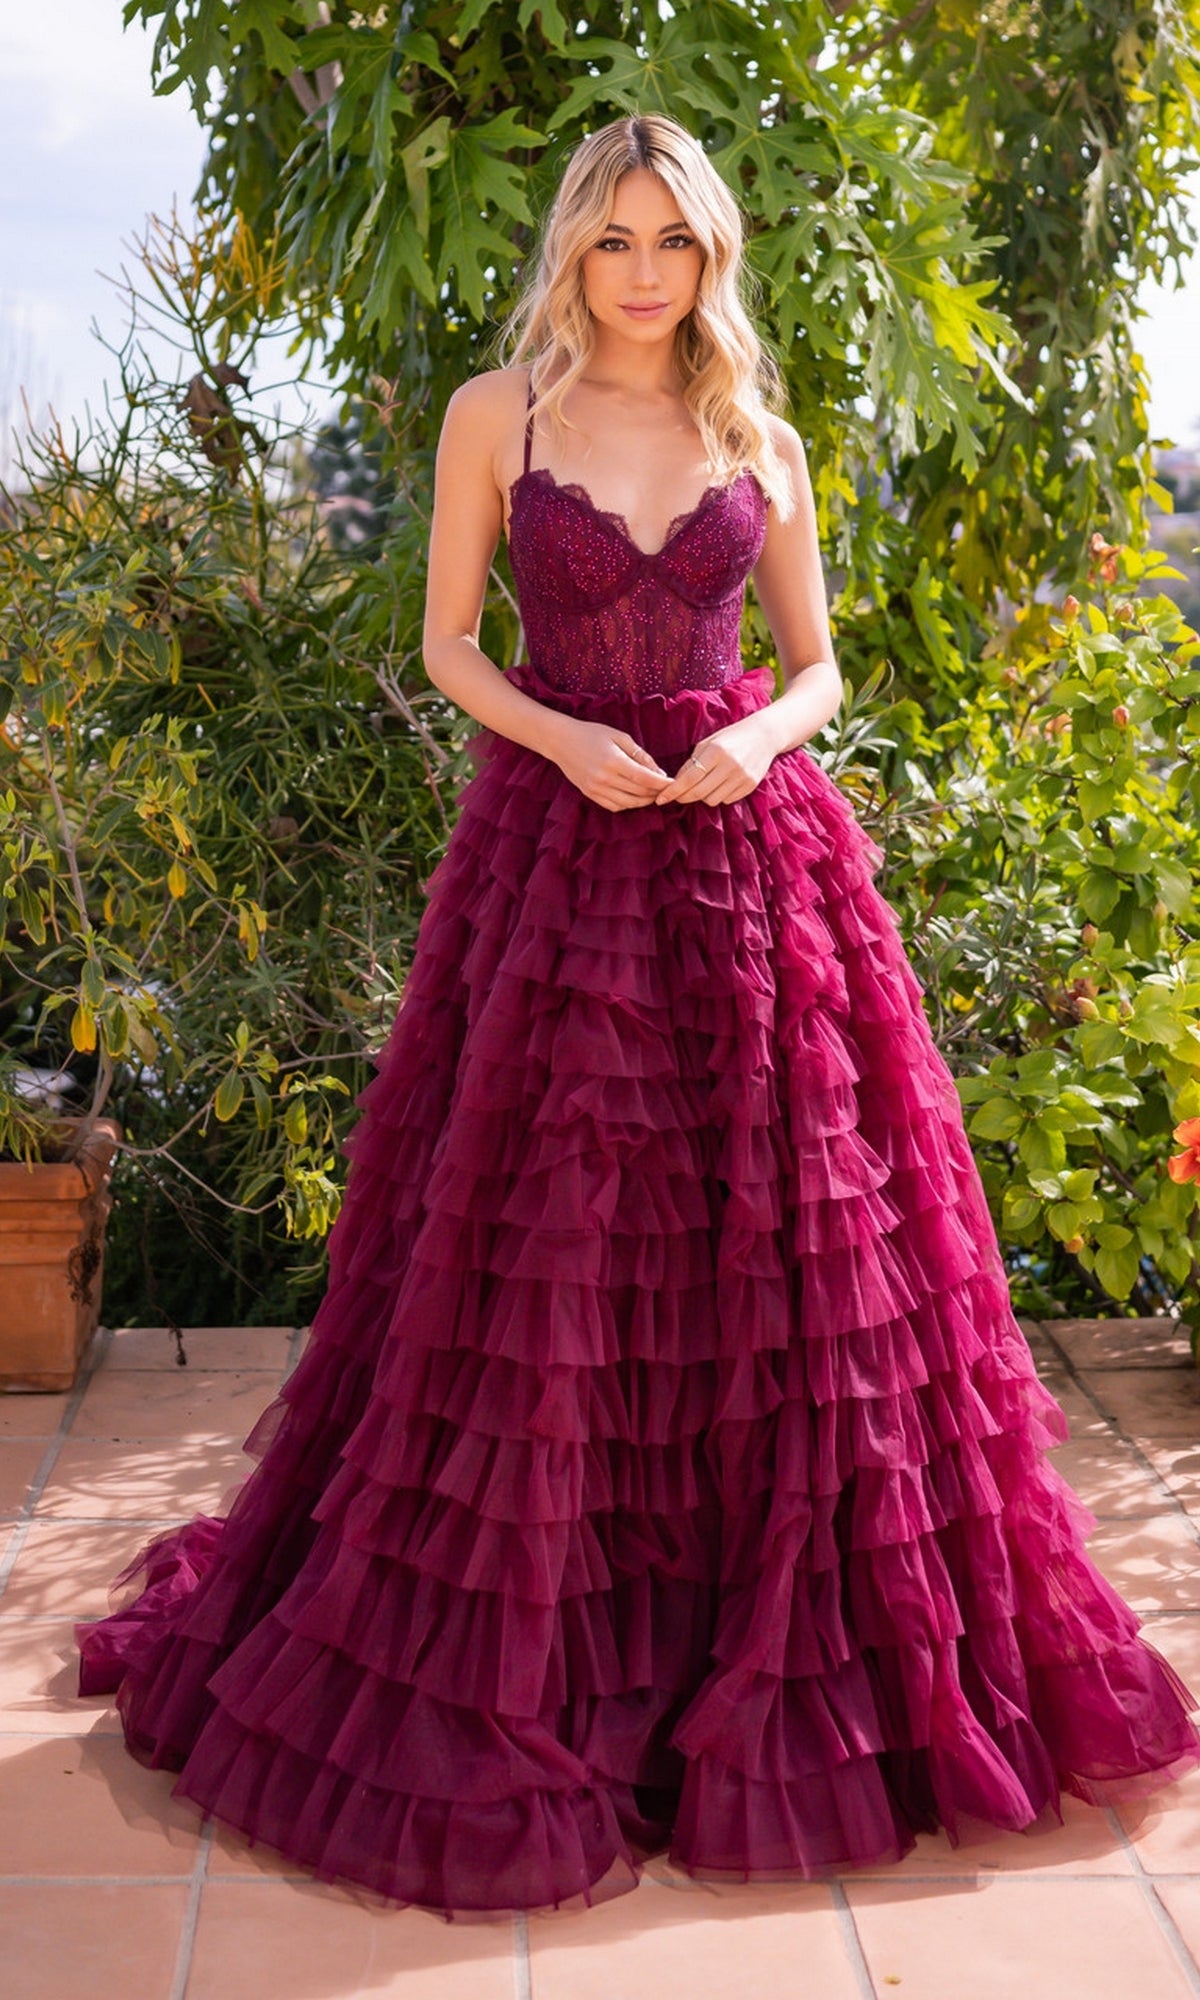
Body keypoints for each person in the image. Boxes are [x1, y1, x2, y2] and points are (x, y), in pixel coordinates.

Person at [75, 112, 1200, 1919]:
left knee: (791, 1271)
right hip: (559, 865)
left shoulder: (759, 428)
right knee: (559, 1264)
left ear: (713, 258)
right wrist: (563, 734)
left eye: (675, 240)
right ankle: (555, 1660)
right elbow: (451, 642)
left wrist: (756, 733)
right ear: (571, 257)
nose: (647, 272)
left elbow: (820, 655)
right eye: (615, 240)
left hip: (760, 874)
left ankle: (767, 1654)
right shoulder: (492, 420)